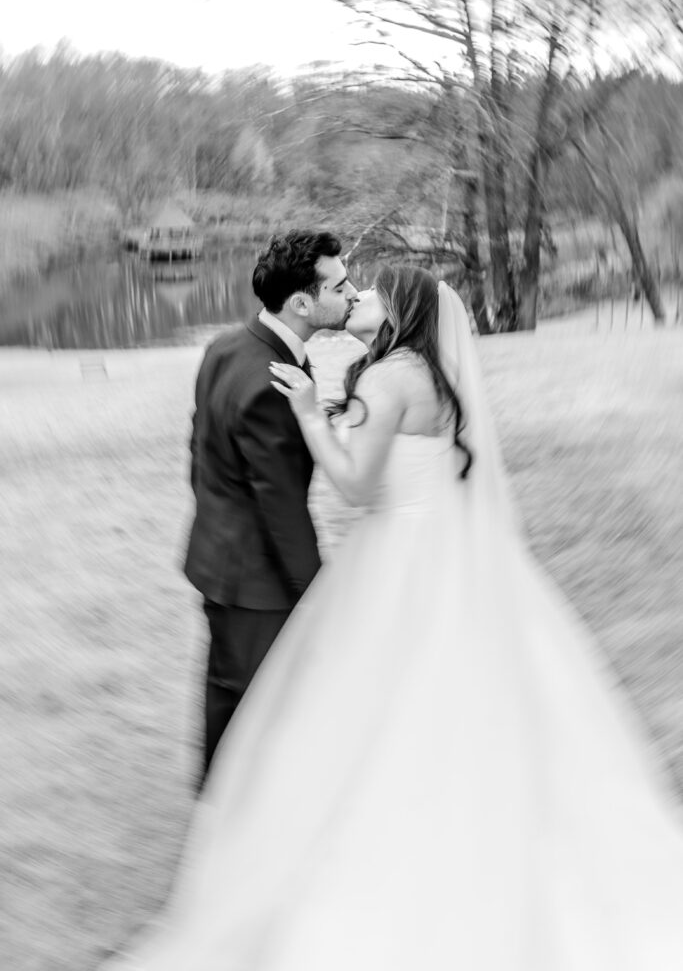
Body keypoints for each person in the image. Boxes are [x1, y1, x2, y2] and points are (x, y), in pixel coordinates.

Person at [112, 265, 683, 970]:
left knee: (377, 698)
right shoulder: (427, 373)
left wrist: (306, 414)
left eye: (369, 291)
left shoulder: (388, 378)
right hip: (444, 551)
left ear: (400, 306)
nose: (356, 298)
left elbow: (353, 486)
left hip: (396, 556)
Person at [184, 229, 357, 783]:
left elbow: (199, 453)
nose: (352, 293)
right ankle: (241, 827)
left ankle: (217, 815)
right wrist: (317, 590)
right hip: (255, 580)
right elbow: (279, 505)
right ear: (303, 303)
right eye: (340, 284)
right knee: (265, 712)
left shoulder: (224, 345)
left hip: (216, 560)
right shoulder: (274, 382)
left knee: (229, 696)